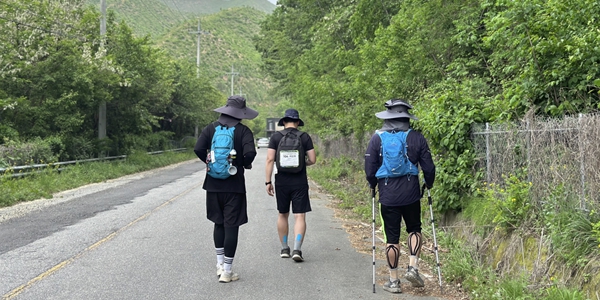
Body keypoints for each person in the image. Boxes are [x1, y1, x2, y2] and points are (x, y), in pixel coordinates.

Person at [364, 99, 435, 293]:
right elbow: (429, 167)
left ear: (388, 116)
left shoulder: (376, 138)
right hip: (411, 192)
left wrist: (373, 185)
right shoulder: (416, 137)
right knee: (414, 229)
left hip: (387, 195)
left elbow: (370, 169)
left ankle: (394, 281)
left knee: (392, 237)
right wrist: (428, 183)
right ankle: (413, 267)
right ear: (406, 117)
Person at [194, 95, 258, 283]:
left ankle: (219, 264)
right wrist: (243, 165)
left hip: (213, 184)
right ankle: (228, 271)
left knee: (218, 222)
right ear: (241, 113)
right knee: (232, 225)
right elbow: (250, 153)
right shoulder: (243, 131)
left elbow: (198, 149)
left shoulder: (211, 128)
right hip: (234, 185)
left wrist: (210, 163)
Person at [265, 109, 317, 262]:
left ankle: (284, 248)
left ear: (284, 122)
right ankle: (297, 249)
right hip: (299, 181)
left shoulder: (276, 137)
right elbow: (313, 159)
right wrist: (302, 163)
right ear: (298, 122)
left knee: (282, 214)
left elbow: (269, 160)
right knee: (299, 215)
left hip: (281, 181)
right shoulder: (304, 137)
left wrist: (268, 181)